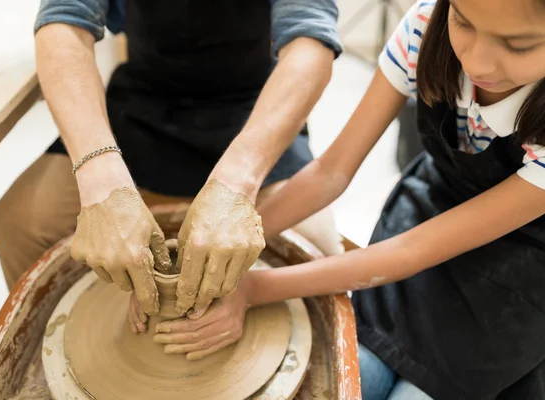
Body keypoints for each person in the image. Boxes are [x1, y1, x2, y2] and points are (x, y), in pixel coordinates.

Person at [145, 0, 545, 398]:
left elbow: (410, 252)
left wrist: (253, 289)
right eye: (463, 21)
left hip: (517, 272)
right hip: (433, 205)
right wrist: (227, 249)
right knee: (352, 382)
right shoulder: (426, 25)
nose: (477, 63)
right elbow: (331, 172)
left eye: (518, 45)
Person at [0, 0, 345, 317]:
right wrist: (101, 177)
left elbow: (310, 42)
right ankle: (59, 346)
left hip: (251, 110)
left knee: (318, 248)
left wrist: (237, 181)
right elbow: (62, 23)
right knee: (22, 223)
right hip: (147, 101)